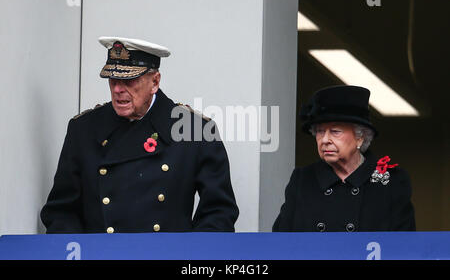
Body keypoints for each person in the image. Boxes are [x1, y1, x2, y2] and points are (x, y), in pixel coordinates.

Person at [41, 37, 239, 233]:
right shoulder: (84, 129)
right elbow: (62, 212)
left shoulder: (195, 131)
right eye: (113, 80)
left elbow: (218, 213)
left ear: (155, 82)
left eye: (129, 80)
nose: (118, 89)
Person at [273, 85, 416, 232]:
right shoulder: (302, 180)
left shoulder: (391, 182)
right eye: (320, 132)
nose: (325, 140)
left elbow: (404, 248)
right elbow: (280, 243)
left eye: (335, 131)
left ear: (360, 137)